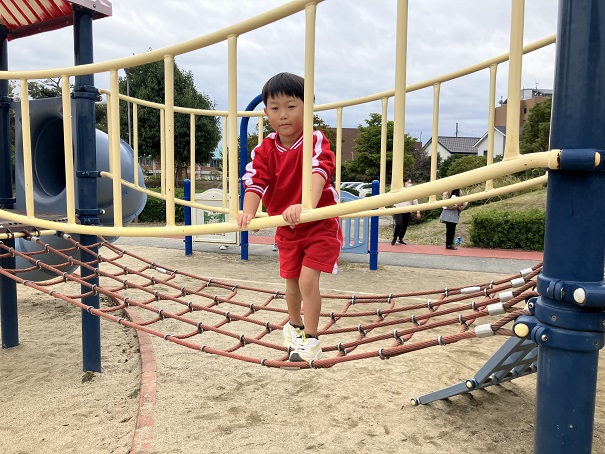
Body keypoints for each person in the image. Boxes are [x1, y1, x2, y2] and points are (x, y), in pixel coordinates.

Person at [237, 72, 342, 362]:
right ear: (266, 113)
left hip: (319, 223)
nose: (283, 114)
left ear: (308, 109)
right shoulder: (265, 149)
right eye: (275, 108)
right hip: (287, 227)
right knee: (291, 282)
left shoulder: (314, 140)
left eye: (291, 106)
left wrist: (305, 204)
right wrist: (249, 210)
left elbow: (320, 170)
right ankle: (294, 326)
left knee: (308, 280)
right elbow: (255, 180)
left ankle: (312, 338)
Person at [391, 178, 421, 245]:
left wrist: (418, 212)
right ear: (404, 183)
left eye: (411, 182)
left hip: (407, 210)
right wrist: (394, 205)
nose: (409, 184)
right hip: (398, 210)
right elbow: (394, 198)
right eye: (408, 182)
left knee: (404, 226)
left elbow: (415, 202)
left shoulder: (412, 192)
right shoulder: (399, 190)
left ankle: (400, 238)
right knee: (399, 224)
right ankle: (395, 237)